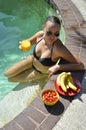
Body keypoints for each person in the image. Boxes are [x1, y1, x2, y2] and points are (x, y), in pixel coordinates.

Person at [4, 16, 84, 82]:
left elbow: (80, 65)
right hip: (31, 60)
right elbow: (28, 42)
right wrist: (22, 46)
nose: (53, 37)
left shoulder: (58, 48)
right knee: (7, 74)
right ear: (43, 28)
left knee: (11, 79)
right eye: (49, 33)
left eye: (56, 34)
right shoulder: (39, 35)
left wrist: (58, 67)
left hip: (39, 72)